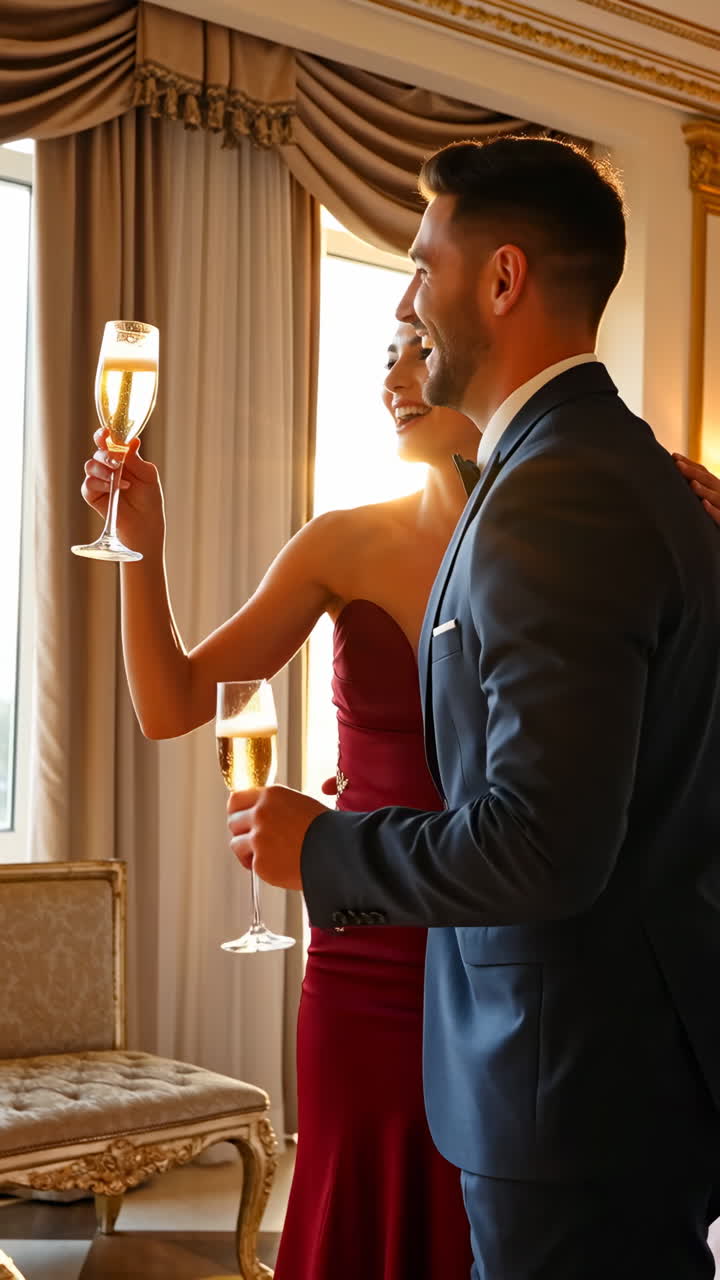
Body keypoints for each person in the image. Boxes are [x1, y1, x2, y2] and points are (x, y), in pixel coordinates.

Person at [226, 137, 720, 1280]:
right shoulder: (610, 469)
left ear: (499, 279)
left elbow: (544, 843)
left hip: (571, 1092)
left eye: (419, 263)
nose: (407, 298)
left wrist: (326, 849)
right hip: (614, 1079)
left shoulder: (557, 496)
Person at [81, 323, 481, 1279]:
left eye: (421, 348)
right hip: (365, 960)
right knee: (358, 1209)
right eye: (387, 348)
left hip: (501, 937)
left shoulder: (561, 535)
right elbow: (173, 702)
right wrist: (144, 548)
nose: (393, 376)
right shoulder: (344, 539)